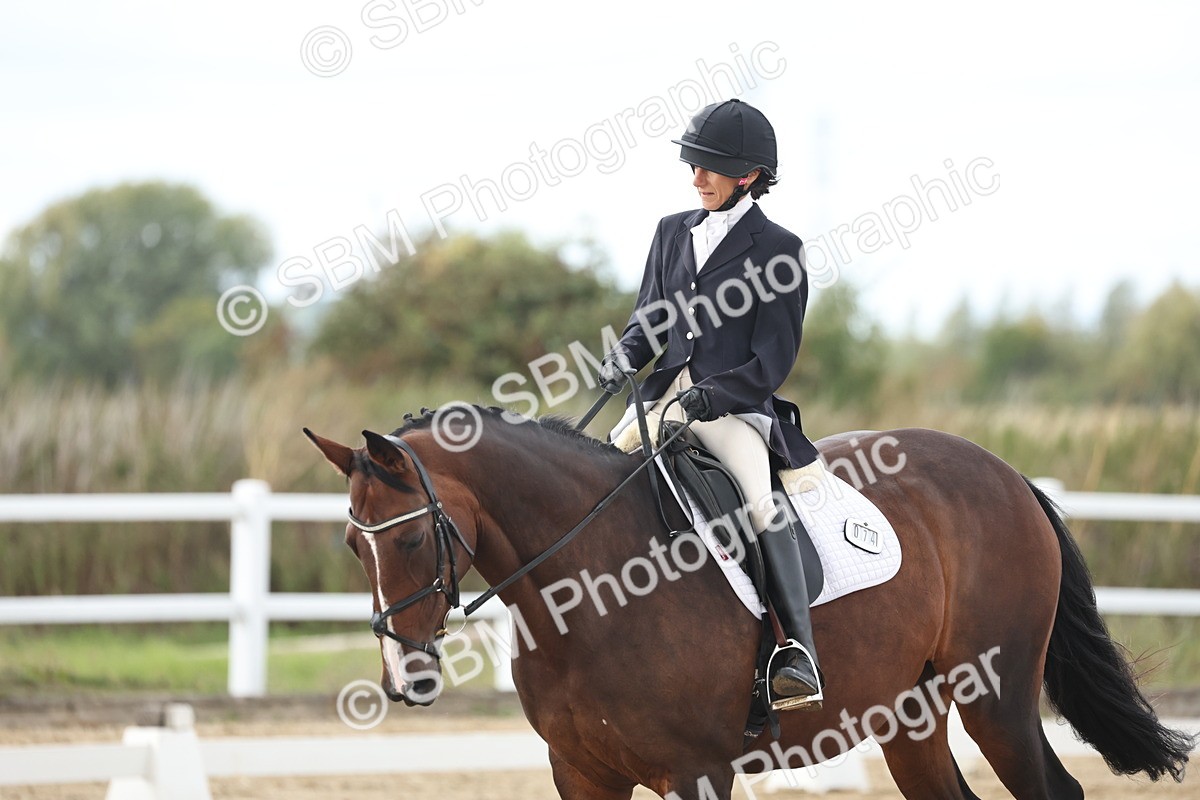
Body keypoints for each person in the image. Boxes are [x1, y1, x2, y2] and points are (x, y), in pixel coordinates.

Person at [599, 99, 825, 711]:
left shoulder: (779, 249)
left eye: (708, 168)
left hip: (733, 410)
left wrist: (712, 395)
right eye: (692, 166)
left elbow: (772, 363)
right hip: (667, 400)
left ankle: (795, 651)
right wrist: (623, 356)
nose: (695, 178)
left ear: (747, 176)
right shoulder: (673, 231)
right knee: (594, 478)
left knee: (759, 500)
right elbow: (650, 318)